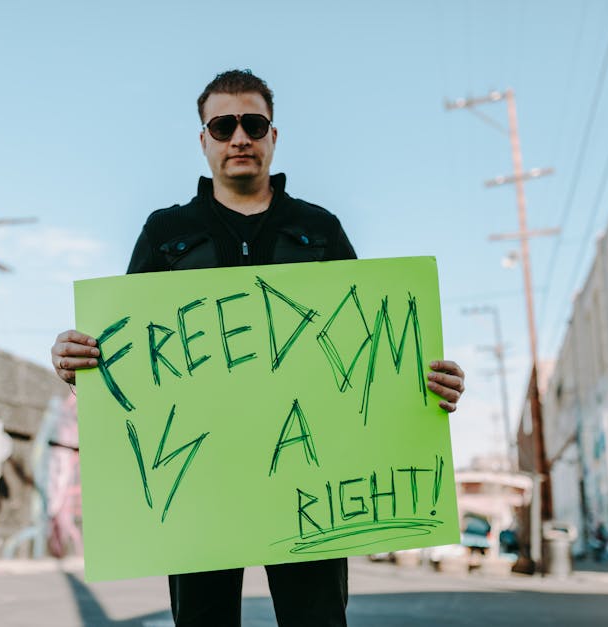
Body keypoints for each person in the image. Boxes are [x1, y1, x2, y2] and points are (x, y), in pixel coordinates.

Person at [51, 69, 466, 627]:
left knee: (316, 619)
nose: (239, 137)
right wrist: (76, 361)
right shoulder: (165, 232)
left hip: (309, 484)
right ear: (204, 141)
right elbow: (126, 355)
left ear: (273, 136)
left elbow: (368, 341)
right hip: (201, 483)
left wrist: (425, 379)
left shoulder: (319, 229)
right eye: (223, 126)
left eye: (253, 123)